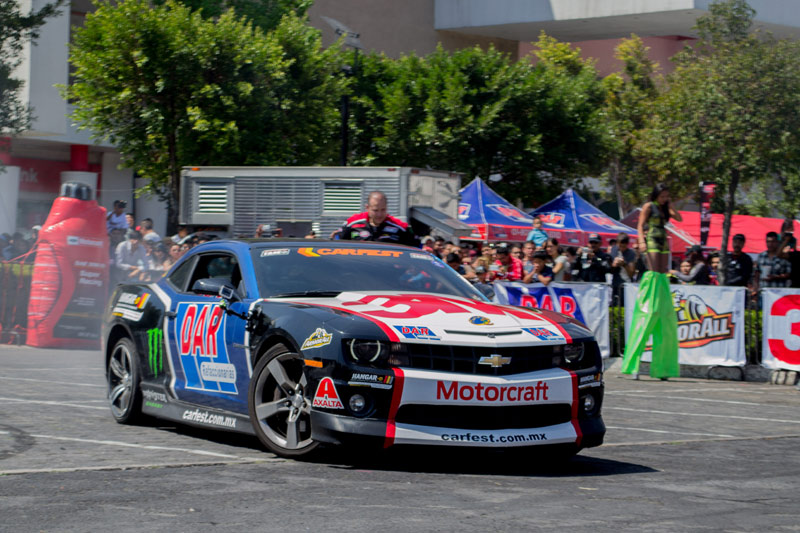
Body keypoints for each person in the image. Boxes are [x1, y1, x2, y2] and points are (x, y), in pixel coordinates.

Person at [340, 191, 418, 246]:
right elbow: (338, 246)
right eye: (375, 210)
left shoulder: (401, 227)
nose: (379, 214)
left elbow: (415, 249)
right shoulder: (352, 223)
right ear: (367, 208)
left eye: (383, 210)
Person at [637, 183, 683, 274]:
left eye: (666, 197)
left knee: (663, 271)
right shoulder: (648, 206)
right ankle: (651, 288)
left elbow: (679, 219)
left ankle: (661, 288)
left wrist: (671, 206)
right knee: (654, 271)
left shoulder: (666, 207)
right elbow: (640, 225)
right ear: (656, 195)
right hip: (652, 239)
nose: (664, 199)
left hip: (663, 239)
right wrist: (641, 242)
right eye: (662, 196)